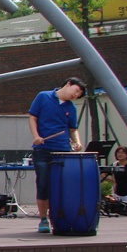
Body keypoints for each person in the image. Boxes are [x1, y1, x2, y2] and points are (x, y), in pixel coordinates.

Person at [28, 77, 85, 233]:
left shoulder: (71, 108)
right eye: (76, 91)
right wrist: (36, 136)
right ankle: (43, 219)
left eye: (79, 95)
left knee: (62, 186)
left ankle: (60, 217)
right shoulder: (43, 96)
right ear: (68, 84)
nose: (76, 95)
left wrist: (77, 142)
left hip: (63, 151)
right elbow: (33, 117)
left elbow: (73, 129)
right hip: (43, 149)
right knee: (43, 184)